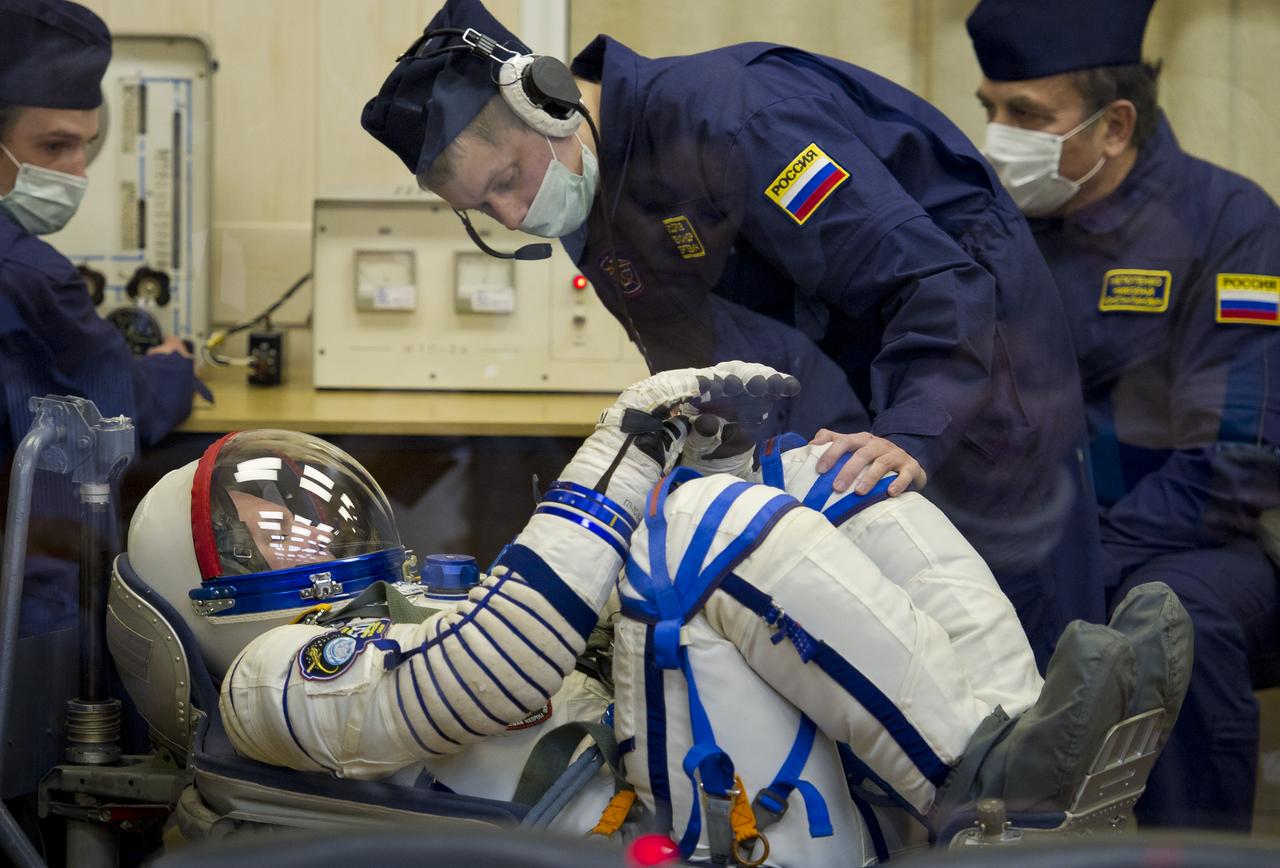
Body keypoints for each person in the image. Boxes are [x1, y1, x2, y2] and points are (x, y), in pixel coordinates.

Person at [117, 362, 1189, 866]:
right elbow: (490, 676)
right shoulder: (266, 685)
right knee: (692, 536)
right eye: (268, 535)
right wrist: (630, 448)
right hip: (649, 833)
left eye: (312, 520)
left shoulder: (380, 618)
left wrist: (733, 456)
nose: (313, 546)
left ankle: (1015, 745)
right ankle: (992, 796)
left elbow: (532, 638)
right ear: (193, 584)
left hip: (664, 796)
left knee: (822, 475)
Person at [360, 0, 1107, 669]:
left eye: (507, 179)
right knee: (887, 662)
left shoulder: (737, 119)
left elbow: (928, 279)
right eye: (484, 208)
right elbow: (715, 365)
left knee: (1008, 653)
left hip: (971, 365)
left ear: (550, 103)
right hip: (852, 388)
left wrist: (910, 431)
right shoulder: (592, 190)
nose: (517, 214)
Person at [966, 0, 1280, 832]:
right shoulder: (995, 229)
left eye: (1027, 115)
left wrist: (1081, 563)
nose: (1001, 136)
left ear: (1115, 125)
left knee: (1171, 622)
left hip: (1189, 542)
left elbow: (1238, 460)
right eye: (989, 109)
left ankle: (1189, 852)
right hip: (1025, 536)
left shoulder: (1229, 223)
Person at [0, 0, 195, 638]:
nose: (77, 173)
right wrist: (174, 371)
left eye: (84, 146)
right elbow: (115, 415)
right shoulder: (31, 273)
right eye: (54, 145)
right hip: (31, 598)